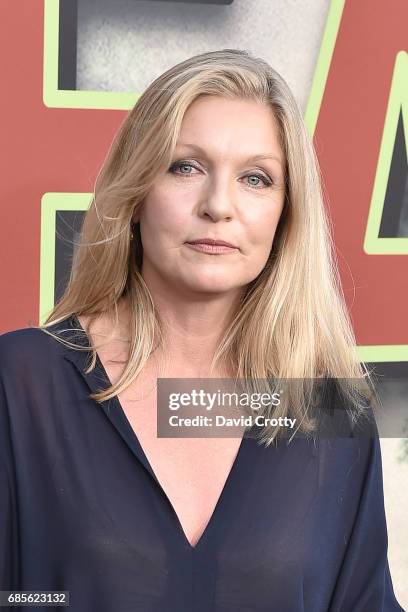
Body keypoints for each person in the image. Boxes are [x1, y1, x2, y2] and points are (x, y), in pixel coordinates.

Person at [0, 49, 404, 611]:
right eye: (185, 167)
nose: (219, 205)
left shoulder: (327, 408)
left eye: (256, 179)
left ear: (287, 214)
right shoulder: (23, 383)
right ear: (136, 192)